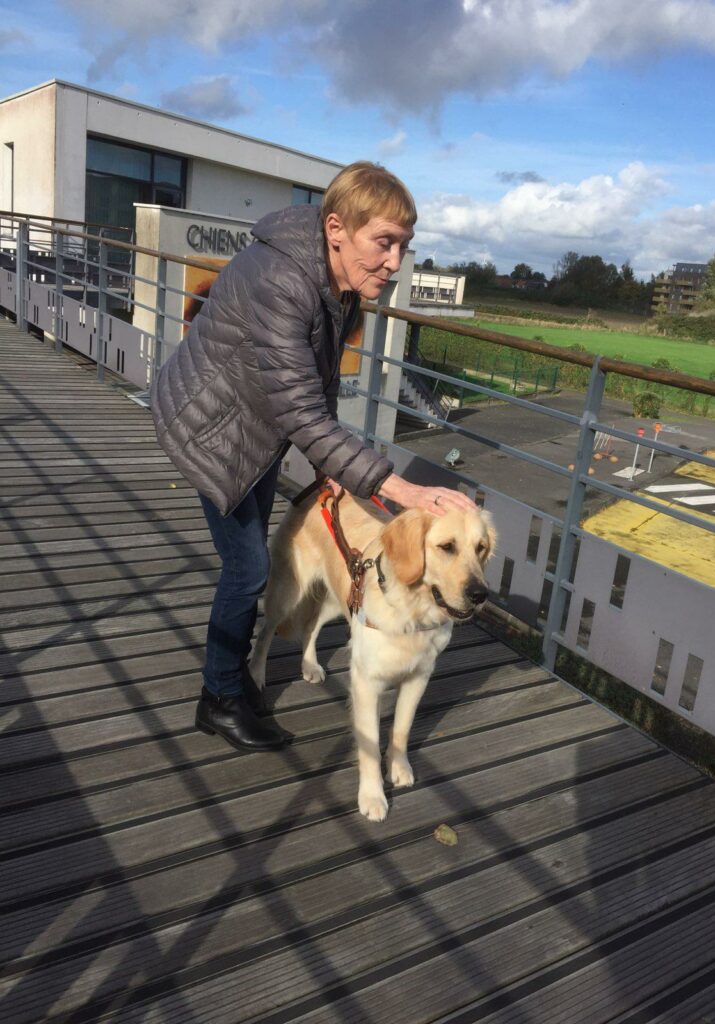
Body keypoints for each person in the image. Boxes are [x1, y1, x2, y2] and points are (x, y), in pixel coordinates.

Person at [151, 161, 476, 754]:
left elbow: (318, 388)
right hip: (209, 428)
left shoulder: (342, 285)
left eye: (404, 245)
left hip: (257, 423)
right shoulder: (283, 280)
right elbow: (302, 412)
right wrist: (398, 491)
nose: (395, 263)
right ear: (336, 228)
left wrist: (331, 472)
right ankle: (218, 699)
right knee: (247, 568)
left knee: (251, 563)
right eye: (384, 242)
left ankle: (234, 680)